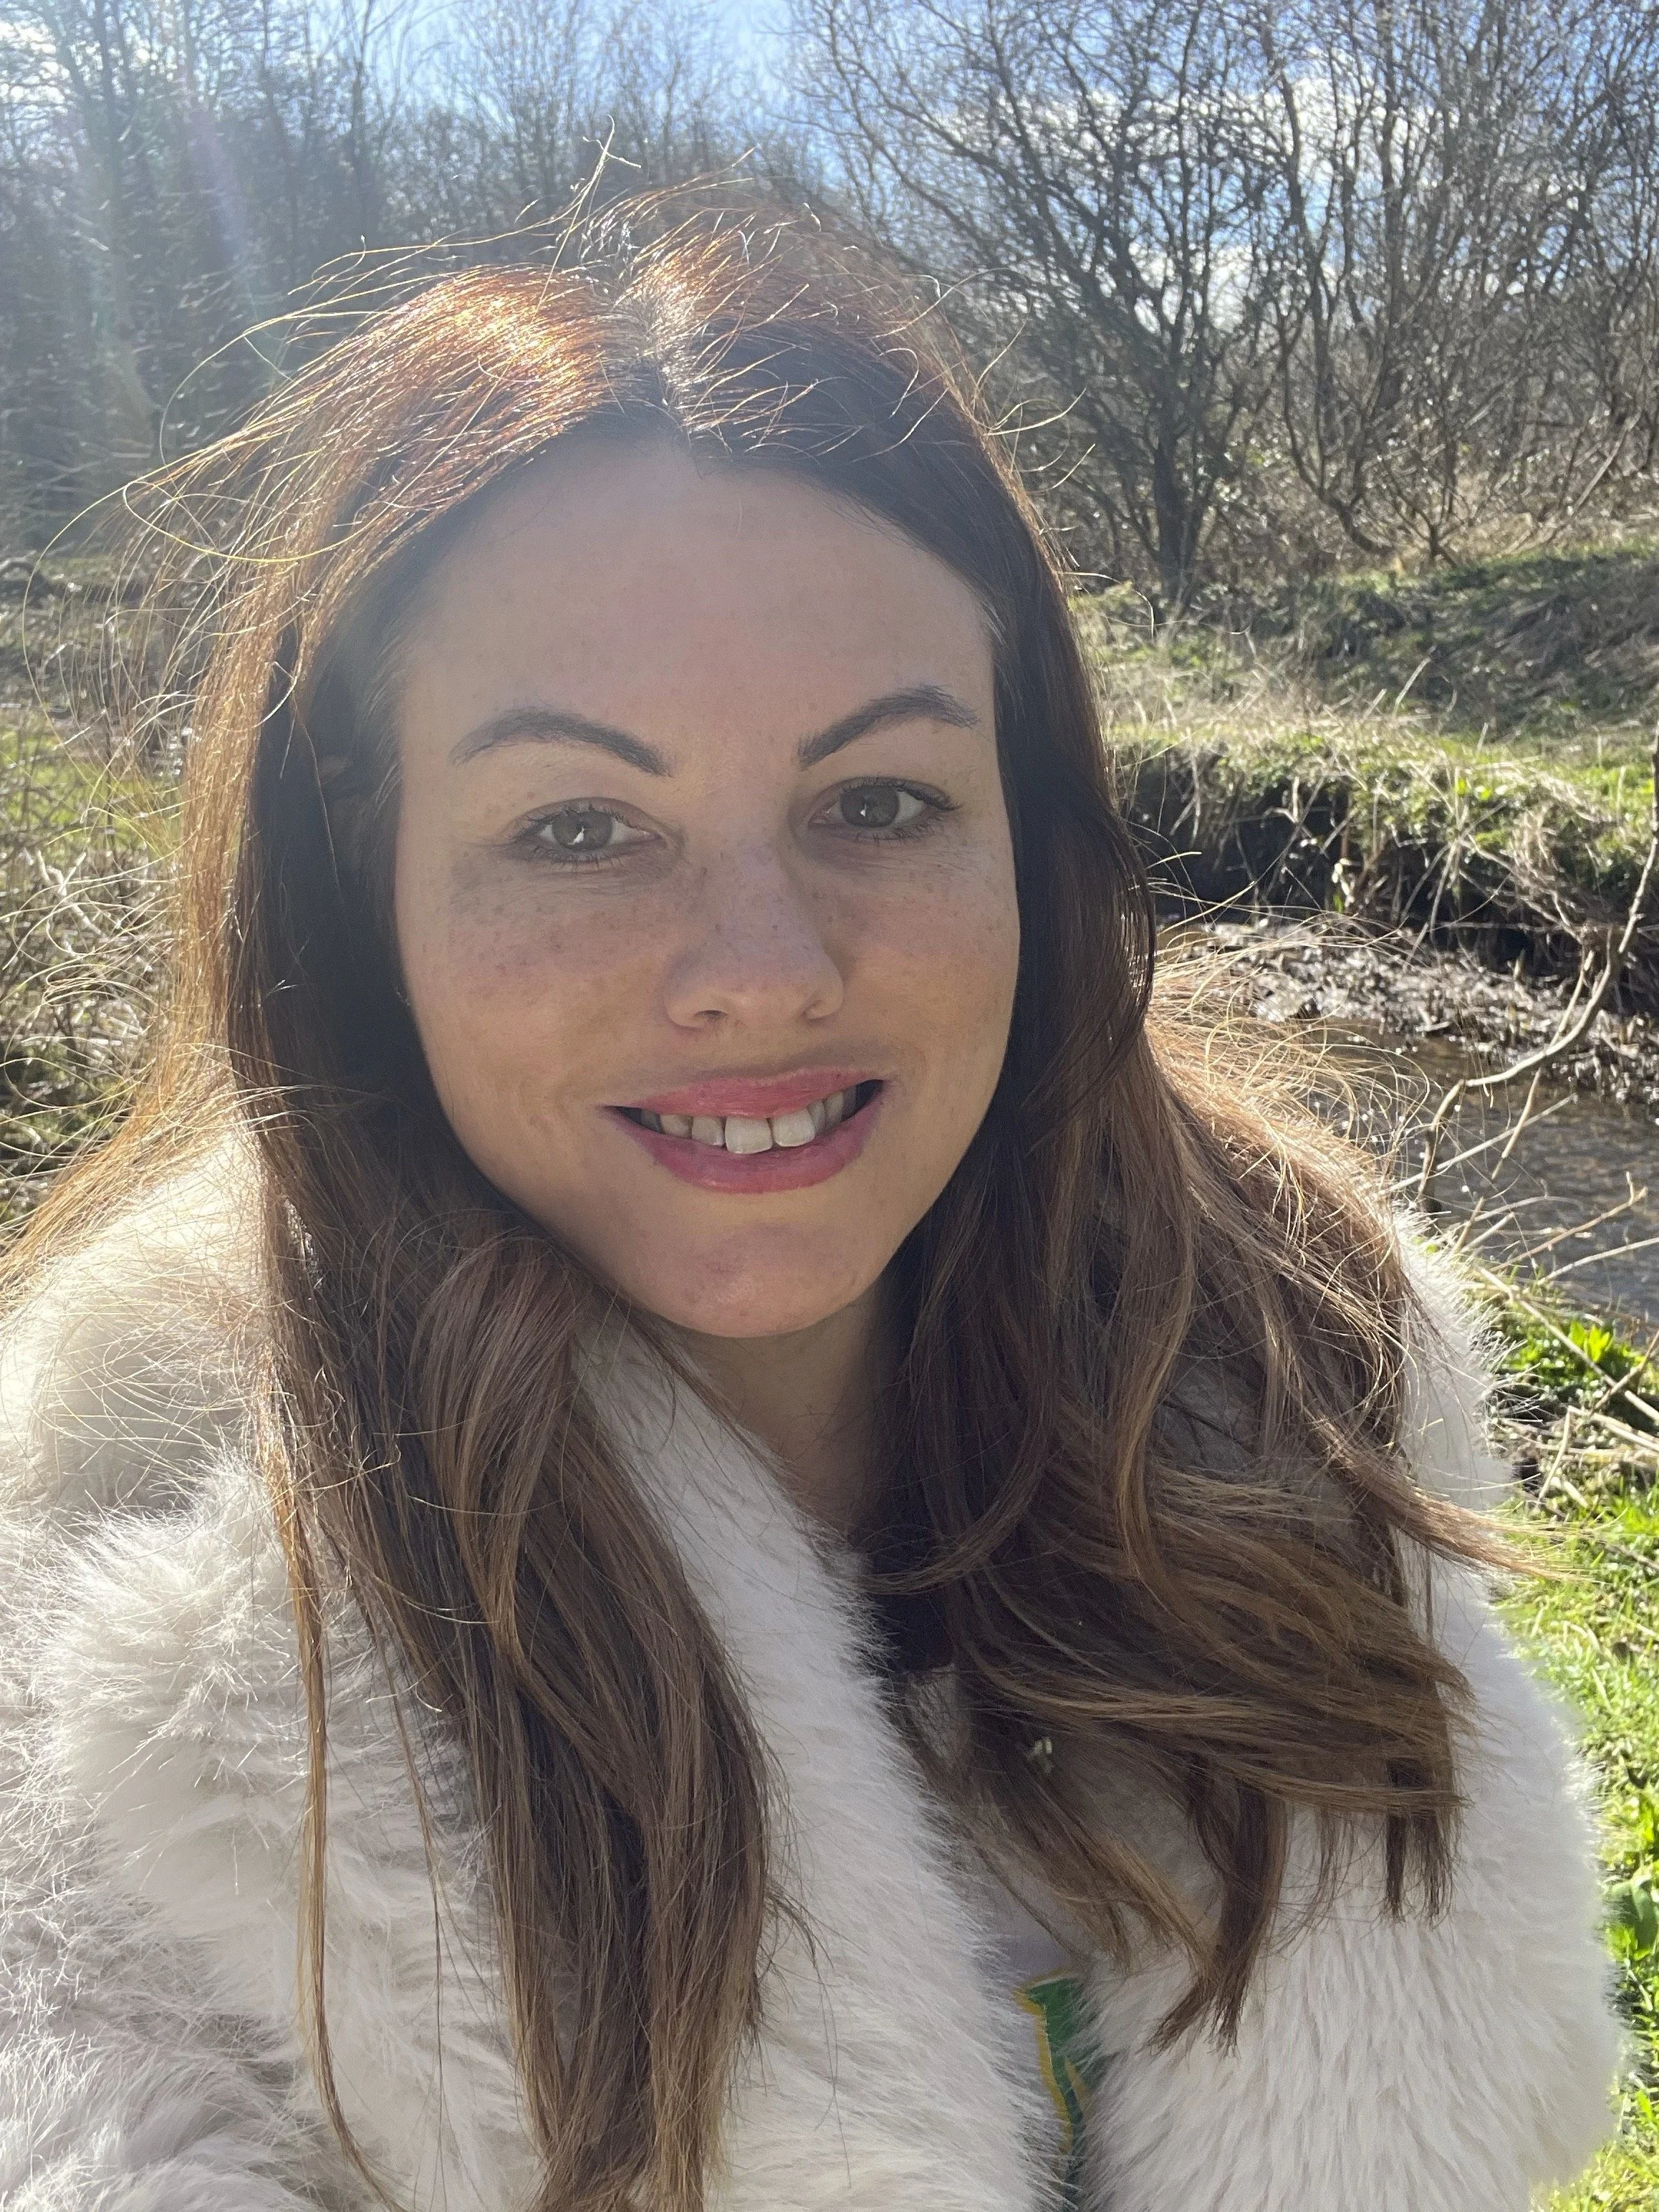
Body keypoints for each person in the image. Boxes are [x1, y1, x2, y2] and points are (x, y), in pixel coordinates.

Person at [0, 201, 1621, 2212]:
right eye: (579, 826)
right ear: (359, 903)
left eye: (877, 802)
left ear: (1031, 846)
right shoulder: (106, 1607)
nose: (759, 969)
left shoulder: (1301, 1384)